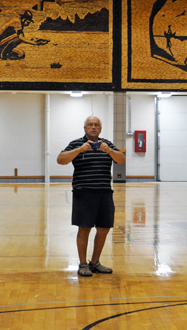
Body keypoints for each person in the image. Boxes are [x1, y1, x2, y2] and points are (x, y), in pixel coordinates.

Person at [57, 116, 126, 277]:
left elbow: (121, 160)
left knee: (104, 229)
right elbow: (61, 160)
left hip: (104, 193)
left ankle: (95, 263)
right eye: (90, 125)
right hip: (84, 193)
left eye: (96, 125)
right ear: (85, 128)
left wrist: (109, 151)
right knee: (84, 228)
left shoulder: (106, 144)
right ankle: (82, 264)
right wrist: (79, 150)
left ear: (100, 128)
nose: (93, 127)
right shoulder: (76, 144)